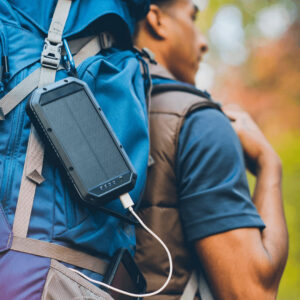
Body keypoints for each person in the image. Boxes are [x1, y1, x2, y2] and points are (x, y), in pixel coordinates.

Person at [134, 0, 289, 299]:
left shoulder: (81, 109)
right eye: (192, 17)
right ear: (157, 19)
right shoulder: (199, 122)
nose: (203, 42)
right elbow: (252, 292)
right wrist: (270, 166)